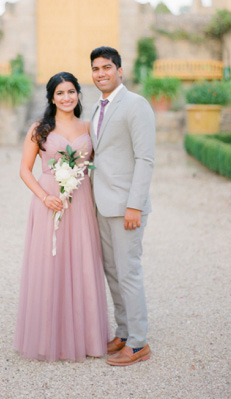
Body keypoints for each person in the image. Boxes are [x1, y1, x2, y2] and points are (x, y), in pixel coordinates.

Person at [14, 72, 108, 361]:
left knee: (81, 262)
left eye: (71, 92)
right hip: (49, 201)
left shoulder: (90, 126)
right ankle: (47, 339)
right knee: (48, 264)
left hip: (79, 200)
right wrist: (44, 198)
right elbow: (25, 170)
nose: (66, 97)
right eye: (60, 93)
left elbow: (99, 163)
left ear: (78, 94)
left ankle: (86, 337)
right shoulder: (40, 129)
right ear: (51, 98)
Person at [89, 46, 155, 366]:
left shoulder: (135, 104)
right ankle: (125, 332)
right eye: (96, 68)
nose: (101, 73)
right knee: (113, 272)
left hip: (127, 206)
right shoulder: (97, 107)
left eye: (107, 67)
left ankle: (140, 343)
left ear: (120, 70)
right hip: (102, 204)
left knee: (129, 272)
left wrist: (135, 205)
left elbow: (145, 158)